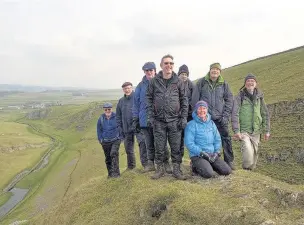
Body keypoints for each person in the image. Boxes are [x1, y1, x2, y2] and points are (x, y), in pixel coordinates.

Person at [146, 54, 188, 180]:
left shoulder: (179, 81)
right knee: (159, 147)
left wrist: (183, 118)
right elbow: (148, 99)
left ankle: (176, 170)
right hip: (159, 121)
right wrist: (150, 117)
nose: (168, 65)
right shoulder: (154, 81)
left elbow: (184, 100)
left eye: (171, 63)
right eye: (166, 63)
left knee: (176, 147)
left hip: (175, 120)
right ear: (161, 65)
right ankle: (160, 169)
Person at [192, 63, 235, 169]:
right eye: (213, 69)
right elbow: (194, 100)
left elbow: (229, 100)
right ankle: (197, 162)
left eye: (217, 69)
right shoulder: (202, 82)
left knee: (226, 138)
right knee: (202, 139)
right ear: (209, 70)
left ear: (220, 71)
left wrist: (225, 115)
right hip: (205, 118)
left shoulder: (224, 84)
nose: (214, 71)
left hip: (220, 118)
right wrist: (199, 116)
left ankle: (229, 161)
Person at [132, 62, 171, 173]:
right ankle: (151, 163)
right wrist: (135, 119)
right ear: (144, 72)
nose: (149, 72)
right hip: (144, 120)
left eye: (151, 70)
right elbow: (135, 104)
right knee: (148, 143)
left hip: (158, 119)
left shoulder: (161, 82)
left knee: (162, 143)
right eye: (147, 71)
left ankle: (166, 162)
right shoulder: (140, 86)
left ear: (155, 70)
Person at [231, 74, 270, 170]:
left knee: (254, 157)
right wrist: (236, 131)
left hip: (256, 131)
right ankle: (245, 170)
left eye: (252, 81)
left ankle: (249, 174)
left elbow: (265, 113)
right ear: (245, 84)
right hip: (244, 131)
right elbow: (234, 113)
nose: (250, 83)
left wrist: (267, 130)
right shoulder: (240, 97)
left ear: (256, 83)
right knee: (248, 153)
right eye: (248, 81)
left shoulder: (259, 97)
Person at [185, 100, 232, 178]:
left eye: (204, 108)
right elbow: (189, 143)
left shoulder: (211, 123)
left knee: (227, 171)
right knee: (208, 174)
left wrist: (216, 152)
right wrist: (201, 153)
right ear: (196, 110)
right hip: (198, 155)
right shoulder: (191, 125)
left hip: (212, 154)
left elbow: (217, 139)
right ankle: (194, 166)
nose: (202, 111)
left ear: (207, 110)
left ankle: (208, 165)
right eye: (199, 109)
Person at [116, 82, 147, 170]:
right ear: (123, 90)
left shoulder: (137, 97)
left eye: (128, 88)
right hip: (126, 128)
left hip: (138, 126)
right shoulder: (121, 101)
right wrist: (119, 126)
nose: (127, 90)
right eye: (125, 88)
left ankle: (146, 165)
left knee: (142, 145)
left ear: (132, 88)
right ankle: (131, 167)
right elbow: (118, 115)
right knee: (128, 148)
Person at [97, 102, 122, 178]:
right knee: (108, 158)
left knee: (114, 154)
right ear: (104, 110)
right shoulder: (101, 118)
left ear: (111, 109)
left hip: (115, 140)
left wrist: (119, 137)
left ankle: (116, 174)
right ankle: (110, 174)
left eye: (109, 109)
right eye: (106, 109)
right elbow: (99, 130)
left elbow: (120, 126)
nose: (108, 111)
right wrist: (101, 140)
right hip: (105, 142)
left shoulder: (116, 116)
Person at [178, 64, 195, 160]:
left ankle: (193, 158)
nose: (184, 76)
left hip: (190, 115)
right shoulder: (175, 84)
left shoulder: (192, 85)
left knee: (190, 137)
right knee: (179, 138)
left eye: (185, 74)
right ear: (178, 74)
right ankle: (179, 159)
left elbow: (194, 99)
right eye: (182, 74)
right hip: (178, 115)